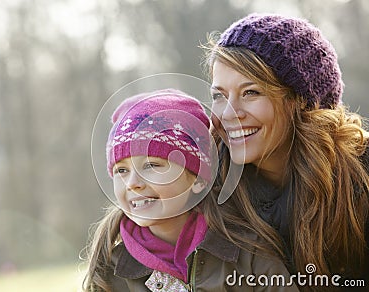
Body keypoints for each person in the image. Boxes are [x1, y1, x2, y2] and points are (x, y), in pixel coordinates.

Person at [202, 12, 369, 290]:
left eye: (250, 93)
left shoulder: (360, 177)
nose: (228, 114)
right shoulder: (210, 188)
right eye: (219, 96)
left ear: (300, 102)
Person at [82, 88, 299, 291]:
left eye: (152, 165)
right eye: (121, 170)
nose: (132, 183)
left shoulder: (247, 253)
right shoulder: (110, 271)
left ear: (198, 180)